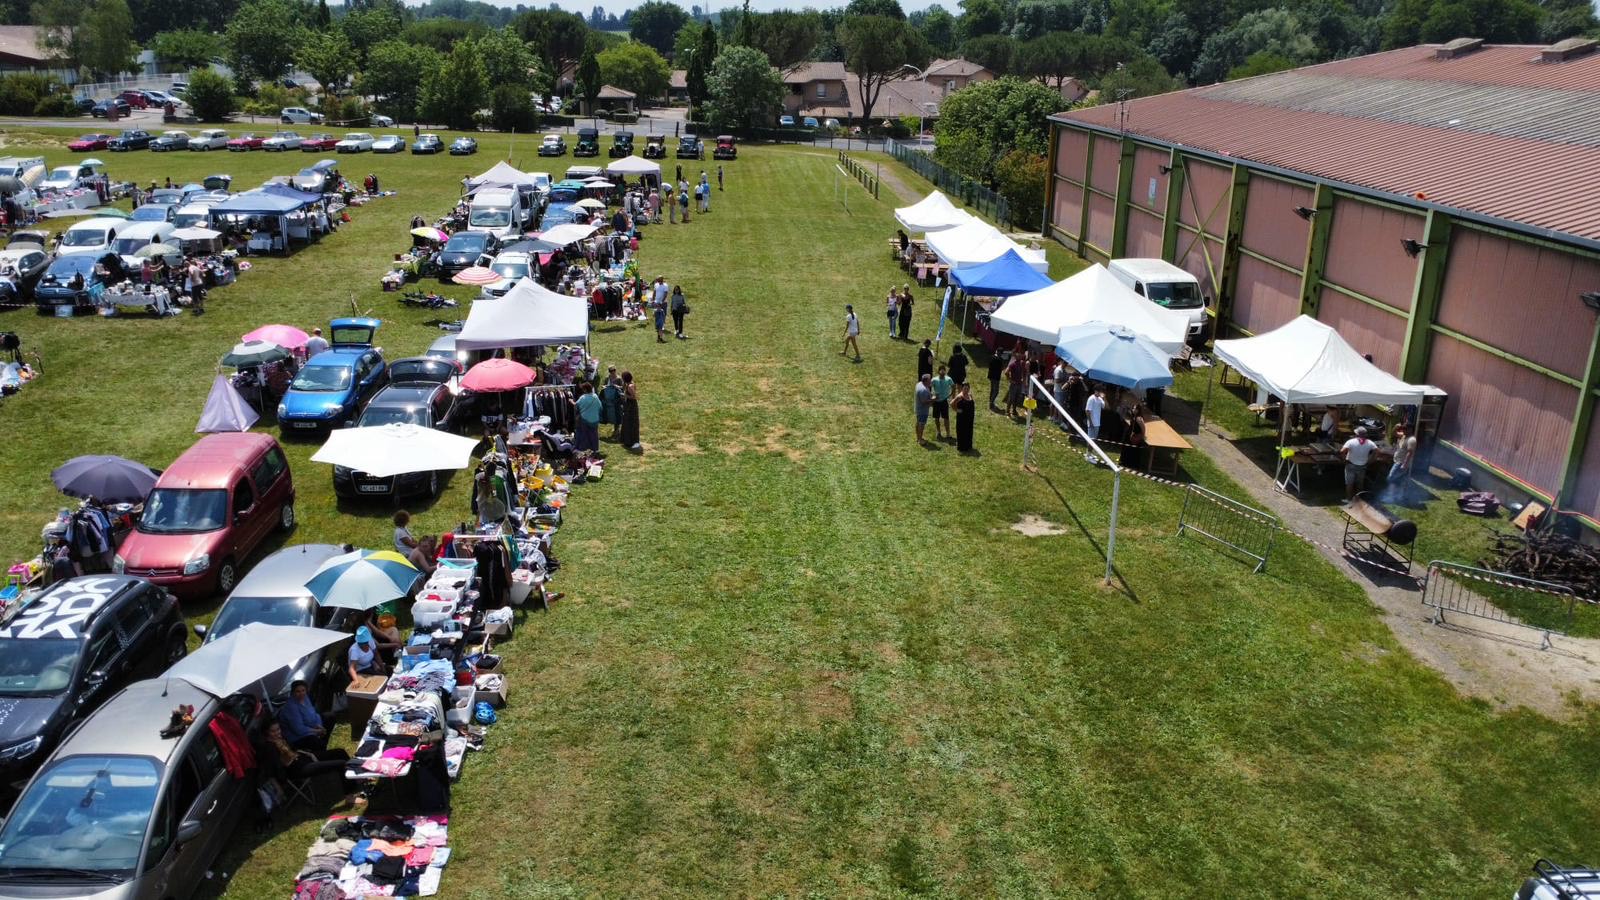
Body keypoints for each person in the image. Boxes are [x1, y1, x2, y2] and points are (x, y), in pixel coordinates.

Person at [278, 679, 330, 752]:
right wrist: (317, 731)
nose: (301, 693)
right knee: (316, 742)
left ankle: (322, 741)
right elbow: (299, 729)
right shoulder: (291, 707)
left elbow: (314, 714)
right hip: (297, 737)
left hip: (309, 728)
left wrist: (319, 726)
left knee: (330, 717)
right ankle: (320, 752)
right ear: (293, 692)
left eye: (303, 690)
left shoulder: (305, 698)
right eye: (298, 691)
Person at [1340, 425, 1376, 502]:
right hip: (1362, 465)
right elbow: (1377, 451)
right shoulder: (1370, 443)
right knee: (1360, 483)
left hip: (1351, 464)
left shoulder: (1351, 441)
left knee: (1350, 483)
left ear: (1357, 434)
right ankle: (1359, 499)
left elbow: (1342, 451)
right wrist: (1371, 460)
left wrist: (1345, 460)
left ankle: (1349, 499)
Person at [1387, 423, 1418, 496]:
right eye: (1402, 428)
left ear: (1410, 430)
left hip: (1401, 463)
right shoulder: (1403, 435)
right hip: (1397, 460)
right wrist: (1395, 427)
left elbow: (1410, 453)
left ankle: (1392, 493)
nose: (1403, 430)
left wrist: (1405, 464)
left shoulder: (1411, 440)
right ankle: (1395, 492)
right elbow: (1394, 433)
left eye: (1405, 429)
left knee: (1391, 477)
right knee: (1397, 478)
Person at [575, 382, 602, 452]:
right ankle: (595, 449)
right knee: (594, 434)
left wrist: (571, 401)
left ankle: (584, 449)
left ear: (585, 390)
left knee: (584, 434)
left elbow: (576, 405)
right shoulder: (595, 396)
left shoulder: (582, 397)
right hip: (595, 419)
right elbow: (600, 407)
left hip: (585, 419)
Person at [618, 371, 641, 451]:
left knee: (632, 423)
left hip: (632, 407)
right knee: (627, 422)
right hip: (628, 405)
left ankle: (634, 441)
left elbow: (635, 397)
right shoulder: (628, 384)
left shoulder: (630, 386)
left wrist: (625, 395)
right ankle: (627, 440)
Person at [930, 364, 954, 440]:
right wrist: (932, 396)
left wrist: (951, 394)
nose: (942, 371)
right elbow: (929, 387)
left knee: (946, 418)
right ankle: (938, 432)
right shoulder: (934, 379)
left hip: (944, 401)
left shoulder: (949, 379)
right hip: (936, 402)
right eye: (941, 370)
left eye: (944, 370)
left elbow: (953, 386)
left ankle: (948, 433)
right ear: (938, 371)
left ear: (945, 371)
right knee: (936, 418)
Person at [954, 382, 976, 453]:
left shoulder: (970, 395)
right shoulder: (960, 397)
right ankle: (962, 447)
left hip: (969, 417)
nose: (966, 390)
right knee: (962, 431)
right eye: (965, 388)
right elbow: (951, 403)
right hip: (962, 418)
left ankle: (968, 446)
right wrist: (957, 410)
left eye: (967, 388)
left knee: (969, 431)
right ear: (962, 388)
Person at [1005, 350, 1027, 417]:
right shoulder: (1013, 364)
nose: (1020, 356)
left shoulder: (1022, 363)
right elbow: (1006, 372)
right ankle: (1007, 411)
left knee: (1017, 398)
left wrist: (1024, 380)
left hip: (1019, 384)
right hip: (1014, 384)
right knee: (1011, 398)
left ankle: (1014, 410)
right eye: (1018, 355)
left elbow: (1024, 372)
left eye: (1020, 355)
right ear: (1015, 356)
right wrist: (1010, 380)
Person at [914, 374, 933, 444]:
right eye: (929, 380)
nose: (930, 381)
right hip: (922, 410)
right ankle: (920, 440)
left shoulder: (919, 384)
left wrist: (930, 395)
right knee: (921, 424)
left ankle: (918, 437)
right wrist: (933, 399)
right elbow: (924, 401)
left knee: (918, 422)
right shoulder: (923, 390)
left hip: (918, 408)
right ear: (925, 381)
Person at [650, 277, 669, 342]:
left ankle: (661, 327)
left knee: (663, 314)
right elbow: (654, 292)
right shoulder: (656, 285)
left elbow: (666, 294)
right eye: (657, 280)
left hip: (663, 302)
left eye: (658, 280)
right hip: (657, 302)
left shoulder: (665, 285)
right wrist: (653, 300)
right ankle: (659, 327)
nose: (658, 281)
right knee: (657, 315)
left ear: (662, 280)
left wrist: (662, 302)